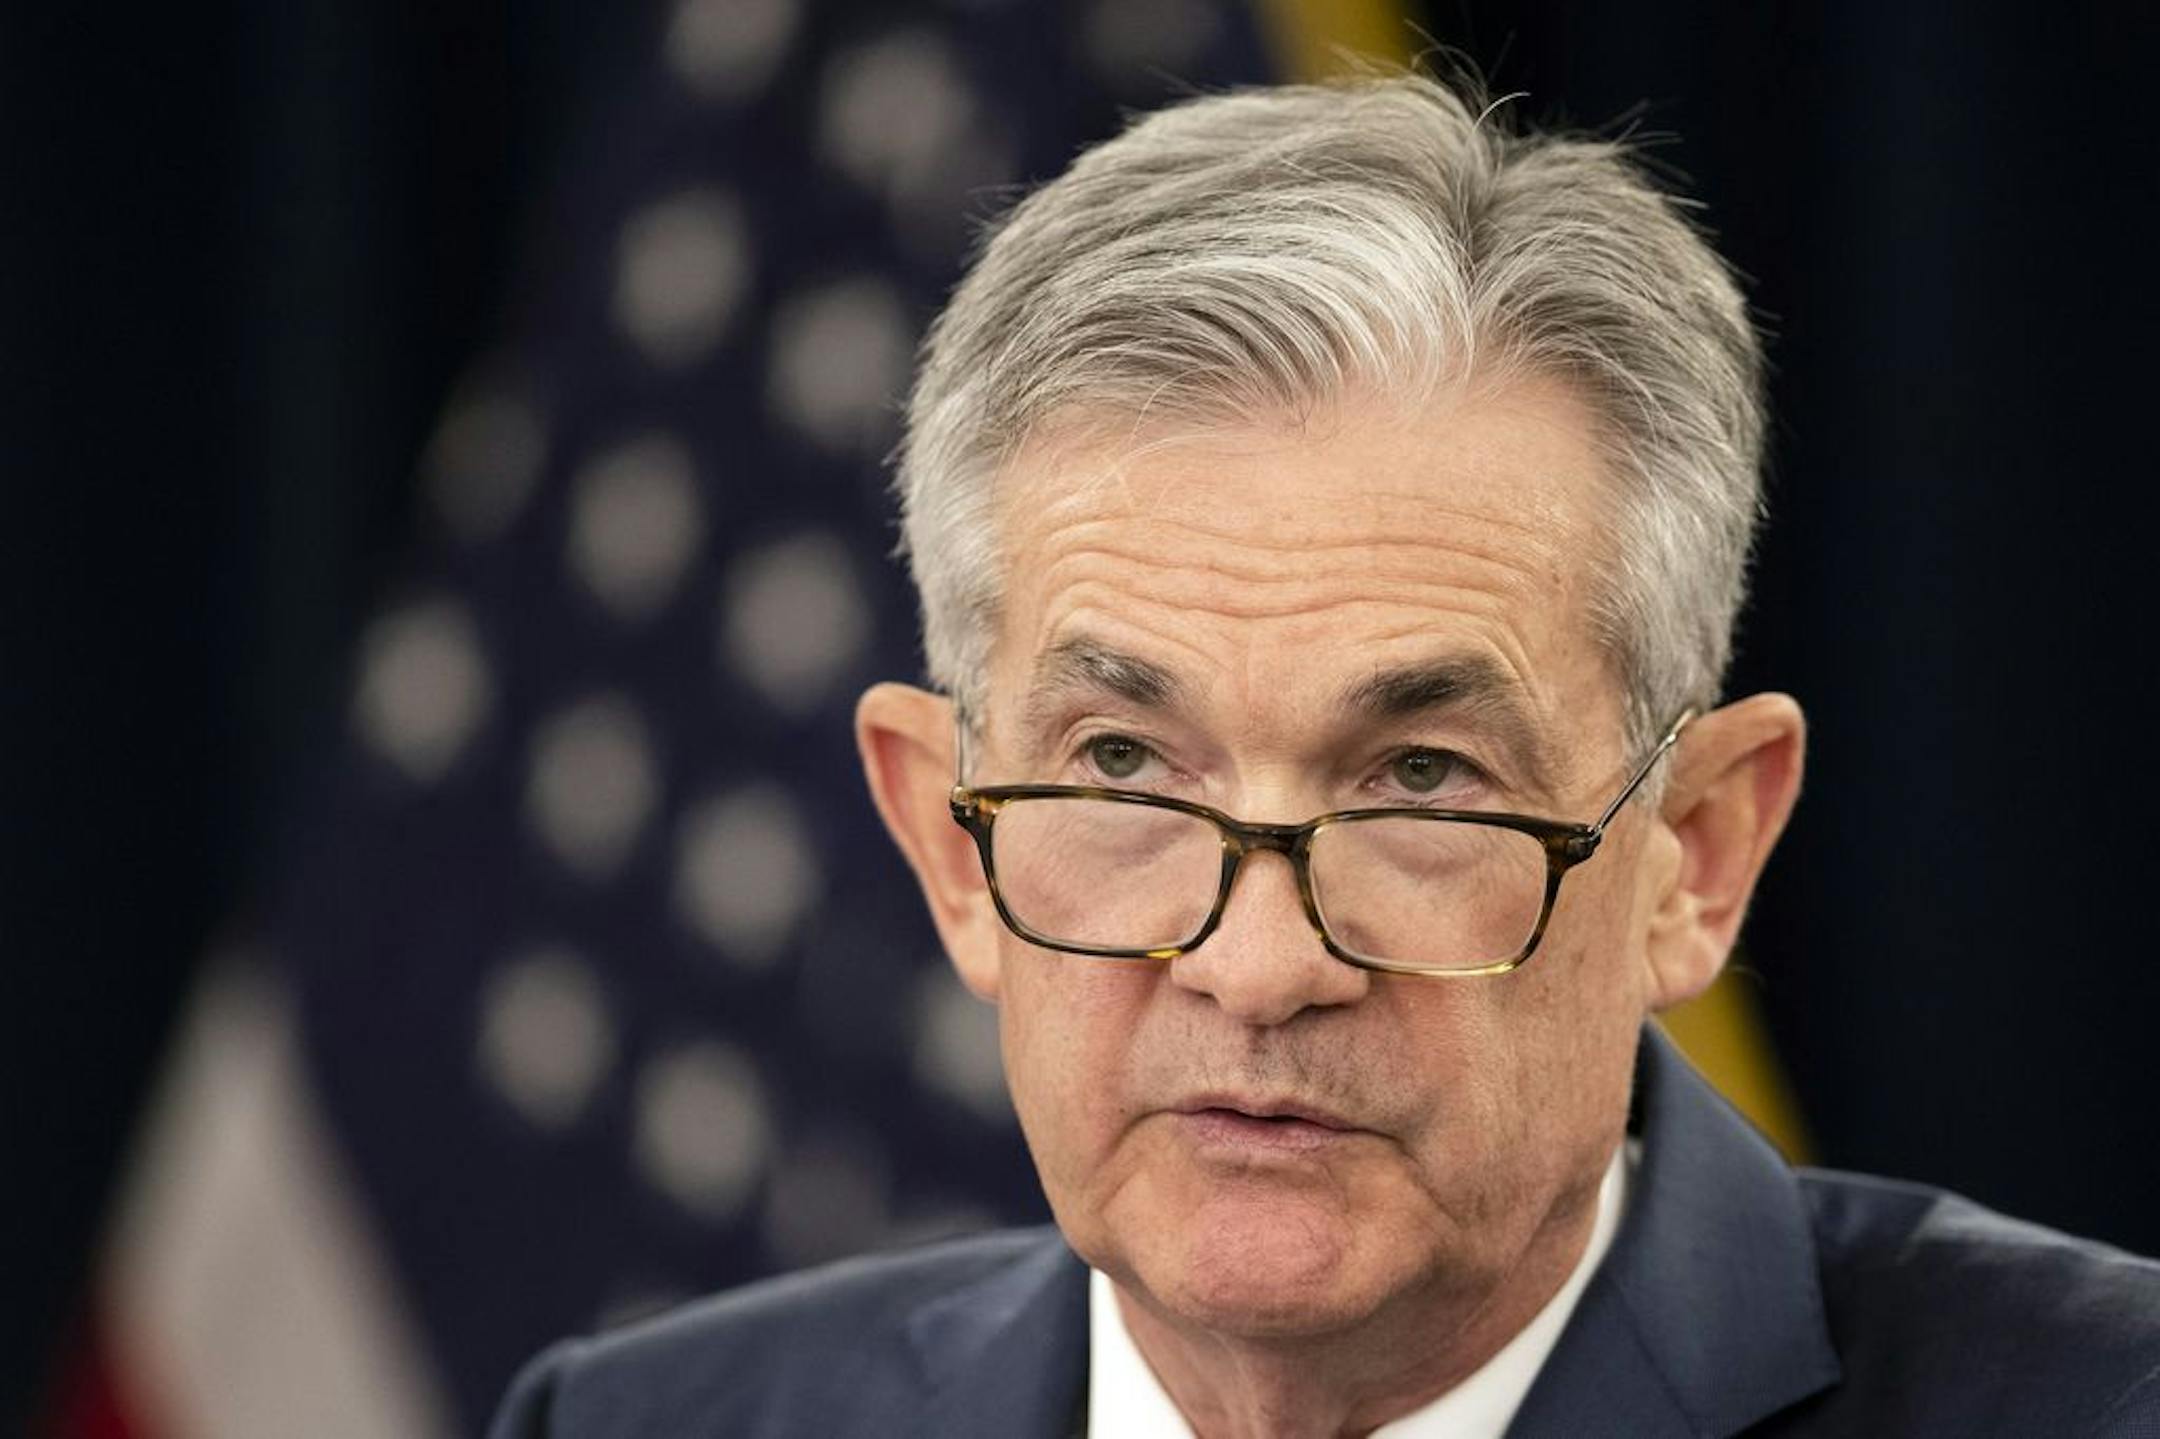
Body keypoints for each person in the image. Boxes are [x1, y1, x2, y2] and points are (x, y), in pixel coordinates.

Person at [489, 72, 2160, 1438]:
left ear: (1695, 852)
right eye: (1128, 765)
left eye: (1420, 778)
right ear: (949, 842)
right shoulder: (644, 1422)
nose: (1260, 965)